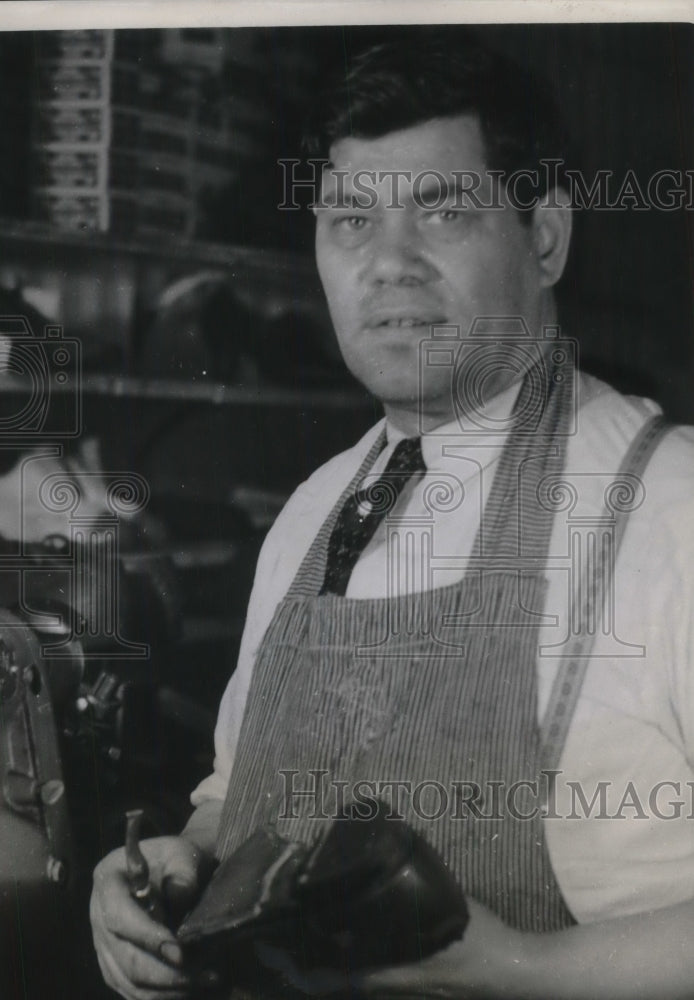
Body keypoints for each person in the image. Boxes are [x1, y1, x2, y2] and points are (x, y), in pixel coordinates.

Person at [90, 32, 694, 999]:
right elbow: (231, 795)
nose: (388, 264)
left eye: (443, 213)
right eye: (350, 220)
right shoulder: (311, 513)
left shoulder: (671, 507)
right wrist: (181, 866)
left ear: (545, 237)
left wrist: (518, 968)